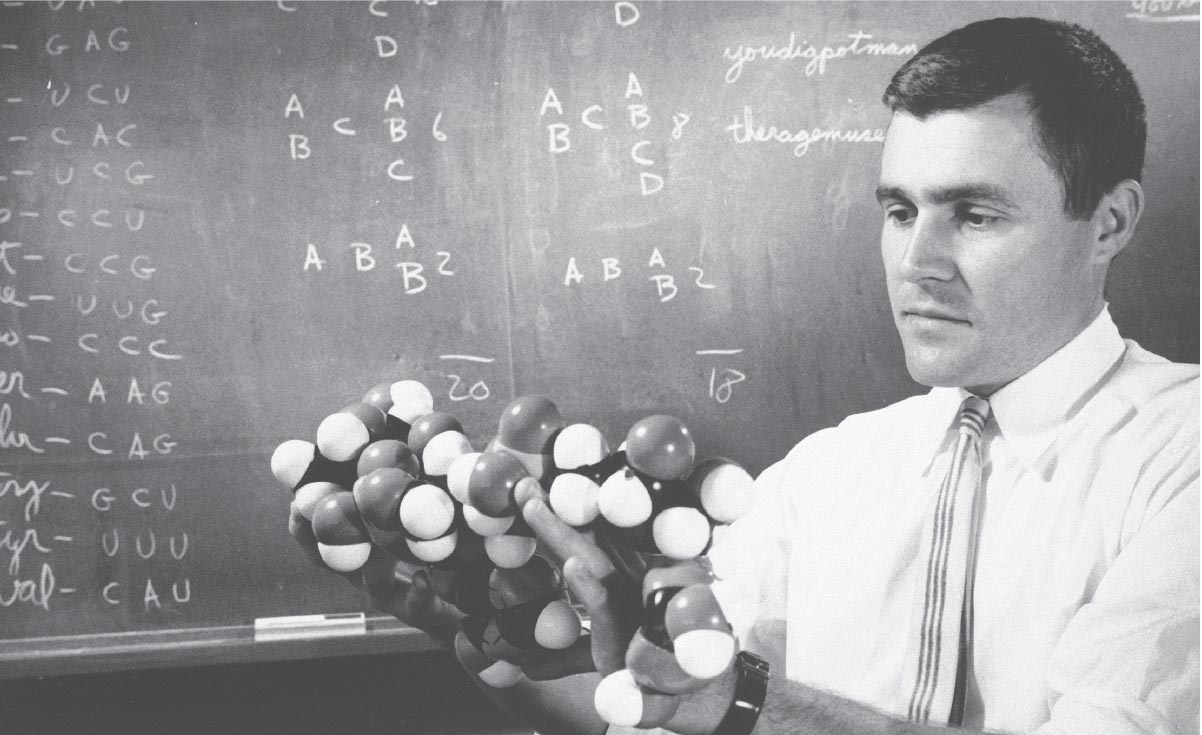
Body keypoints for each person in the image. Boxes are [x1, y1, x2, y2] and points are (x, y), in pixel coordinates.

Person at [290, 16, 1198, 735]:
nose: (917, 260)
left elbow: (731, 706)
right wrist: (500, 637)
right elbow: (661, 706)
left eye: (977, 214)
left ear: (1110, 222)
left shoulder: (1181, 459)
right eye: (898, 209)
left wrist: (740, 704)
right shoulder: (830, 472)